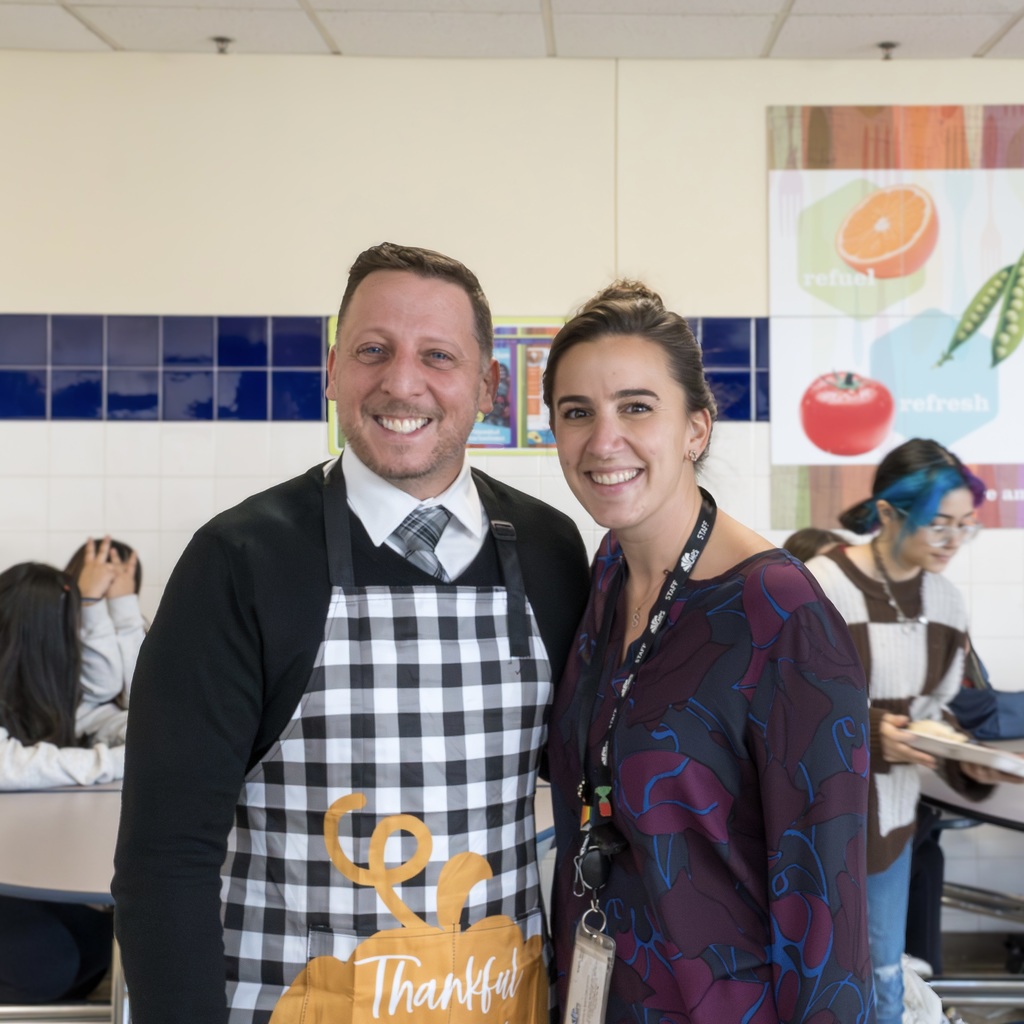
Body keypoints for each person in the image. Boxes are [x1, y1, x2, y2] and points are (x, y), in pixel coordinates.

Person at [112, 242, 591, 1024]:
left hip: (500, 1005)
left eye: (438, 355)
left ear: (488, 384)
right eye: (373, 351)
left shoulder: (549, 549)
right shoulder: (239, 561)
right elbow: (165, 862)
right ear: (333, 369)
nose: (402, 382)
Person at [543, 281, 875, 1023]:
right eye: (577, 413)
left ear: (696, 428)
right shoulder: (605, 577)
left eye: (636, 407)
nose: (603, 440)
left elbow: (828, 903)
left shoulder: (781, 614)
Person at [804, 438, 1024, 1024]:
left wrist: (960, 755)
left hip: (891, 826)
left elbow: (937, 708)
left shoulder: (947, 604)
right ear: (886, 515)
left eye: (965, 526)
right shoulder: (821, 584)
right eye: (938, 524)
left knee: (881, 979)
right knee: (810, 974)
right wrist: (873, 734)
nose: (953, 540)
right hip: (812, 824)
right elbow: (784, 706)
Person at [0, 562, 126, 1004]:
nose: (82, 638)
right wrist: (108, 760)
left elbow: (108, 693)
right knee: (55, 965)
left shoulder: (41, 692)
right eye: (75, 625)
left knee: (96, 946)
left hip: (18, 873)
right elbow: (10, 765)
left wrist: (104, 606)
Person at [65, 536, 146, 696]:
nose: (113, 587)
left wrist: (123, 608)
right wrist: (90, 601)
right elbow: (103, 688)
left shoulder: (136, 626)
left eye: (123, 580)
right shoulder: (54, 625)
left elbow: (140, 696)